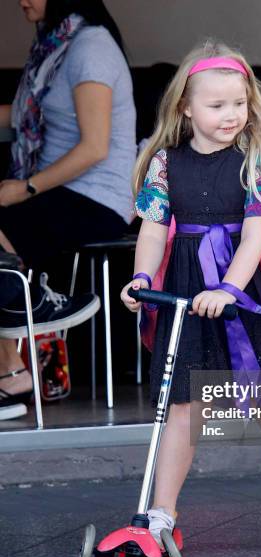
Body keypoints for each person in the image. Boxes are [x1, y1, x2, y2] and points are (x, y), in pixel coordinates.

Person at [121, 41, 261, 553]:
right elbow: (154, 231)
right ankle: (161, 513)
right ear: (186, 108)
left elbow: (254, 237)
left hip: (245, 288)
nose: (231, 115)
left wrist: (228, 289)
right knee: (183, 405)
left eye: (239, 103)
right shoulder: (163, 164)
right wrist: (142, 280)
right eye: (217, 105)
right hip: (186, 288)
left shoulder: (255, 161)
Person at [0, 0, 137, 414]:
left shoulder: (90, 46)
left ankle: (17, 352)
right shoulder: (53, 46)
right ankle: (14, 359)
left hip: (98, 197)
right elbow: (26, 115)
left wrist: (24, 189)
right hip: (60, 190)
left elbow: (94, 147)